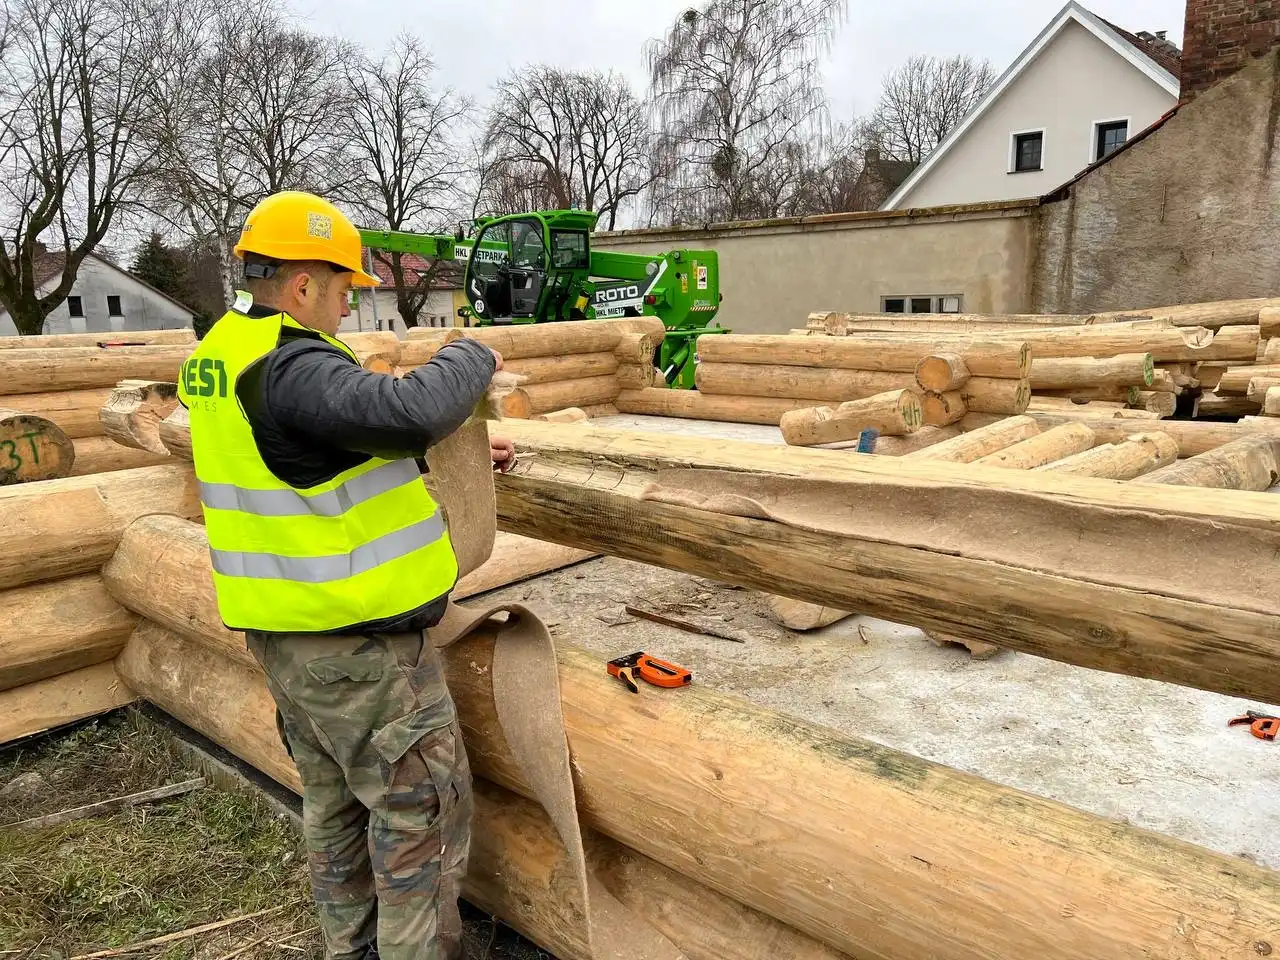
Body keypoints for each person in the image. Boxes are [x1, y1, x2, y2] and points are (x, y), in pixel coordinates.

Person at [177, 190, 512, 960]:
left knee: (334, 814)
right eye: (340, 289)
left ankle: (350, 951)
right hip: (361, 653)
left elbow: (300, 458)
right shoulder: (290, 364)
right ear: (302, 285)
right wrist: (468, 353)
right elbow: (406, 412)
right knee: (418, 824)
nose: (345, 304)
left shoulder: (222, 354)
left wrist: (446, 457)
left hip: (290, 640)